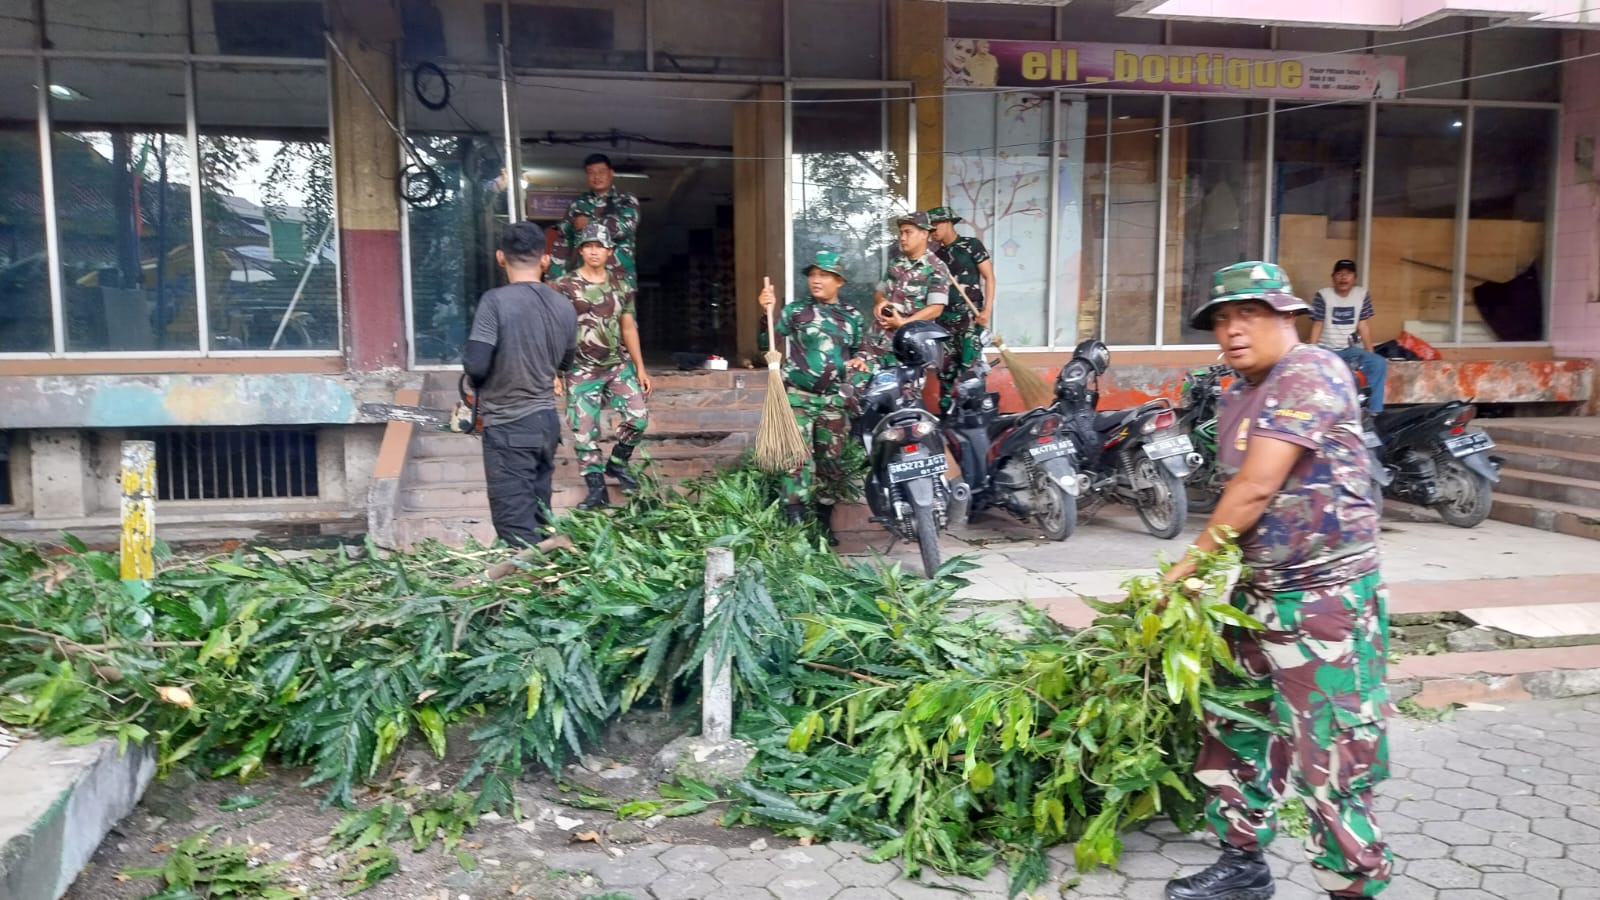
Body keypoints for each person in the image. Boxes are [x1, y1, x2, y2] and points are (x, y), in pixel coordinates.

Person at [1163, 260, 1392, 900]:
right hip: (1259, 592)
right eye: (1223, 319)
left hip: (1325, 599)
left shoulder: (1311, 369)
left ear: (1288, 316)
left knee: (1330, 750)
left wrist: (1190, 563)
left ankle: (1352, 885)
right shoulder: (1241, 390)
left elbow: (1258, 484)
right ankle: (1242, 864)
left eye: (1250, 314)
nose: (1233, 331)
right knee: (1234, 725)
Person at [463, 222, 578, 546]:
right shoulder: (565, 306)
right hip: (546, 425)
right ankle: (549, 585)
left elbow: (476, 365)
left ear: (501, 257)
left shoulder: (494, 302)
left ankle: (526, 588)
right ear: (544, 260)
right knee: (540, 518)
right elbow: (565, 365)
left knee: (515, 530)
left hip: (509, 426)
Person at [758, 251, 870, 542]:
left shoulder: (853, 317)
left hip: (834, 402)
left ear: (839, 281)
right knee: (796, 459)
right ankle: (795, 523)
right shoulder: (795, 311)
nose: (816, 280)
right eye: (812, 275)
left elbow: (862, 352)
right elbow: (766, 341)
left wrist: (859, 366)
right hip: (799, 398)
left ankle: (822, 522)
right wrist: (765, 312)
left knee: (830, 465)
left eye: (823, 275)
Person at [550, 223, 653, 511]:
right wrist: (554, 372)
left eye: (600, 246)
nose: (594, 251)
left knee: (638, 416)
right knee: (584, 429)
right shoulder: (566, 286)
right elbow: (557, 330)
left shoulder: (621, 285)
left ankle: (617, 464)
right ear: (581, 250)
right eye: (588, 245)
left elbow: (628, 327)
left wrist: (640, 368)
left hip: (617, 365)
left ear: (609, 251)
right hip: (580, 369)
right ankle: (596, 490)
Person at [927, 206, 996, 413]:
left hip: (969, 318)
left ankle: (975, 417)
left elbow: (989, 278)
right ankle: (947, 418)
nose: (933, 231)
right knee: (945, 373)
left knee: (971, 371)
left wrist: (987, 311)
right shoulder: (935, 257)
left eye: (936, 225)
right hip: (944, 322)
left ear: (948, 222)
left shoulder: (971, 245)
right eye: (929, 228)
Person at [868, 211, 953, 365]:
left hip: (910, 348)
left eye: (908, 232)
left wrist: (903, 324)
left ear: (924, 234)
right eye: (901, 233)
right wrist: (881, 301)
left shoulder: (937, 267)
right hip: (877, 343)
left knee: (904, 389)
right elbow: (880, 292)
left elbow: (936, 308)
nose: (902, 237)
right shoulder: (896, 263)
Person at [1309, 259, 1388, 414]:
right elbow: (1317, 324)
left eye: (1348, 274)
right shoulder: (1323, 295)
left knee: (1378, 363)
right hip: (1326, 348)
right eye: (1339, 274)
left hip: (1349, 349)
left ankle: (1372, 410)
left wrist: (1370, 352)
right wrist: (1311, 351)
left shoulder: (1361, 295)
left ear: (1354, 277)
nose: (1343, 278)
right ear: (1333, 277)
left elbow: (1363, 326)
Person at [550, 153, 640, 285]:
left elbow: (625, 227)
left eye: (601, 172)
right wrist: (554, 277)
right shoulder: (578, 205)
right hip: (584, 281)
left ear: (611, 173)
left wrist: (591, 223)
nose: (596, 177)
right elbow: (564, 242)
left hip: (619, 279)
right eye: (591, 172)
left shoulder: (626, 201)